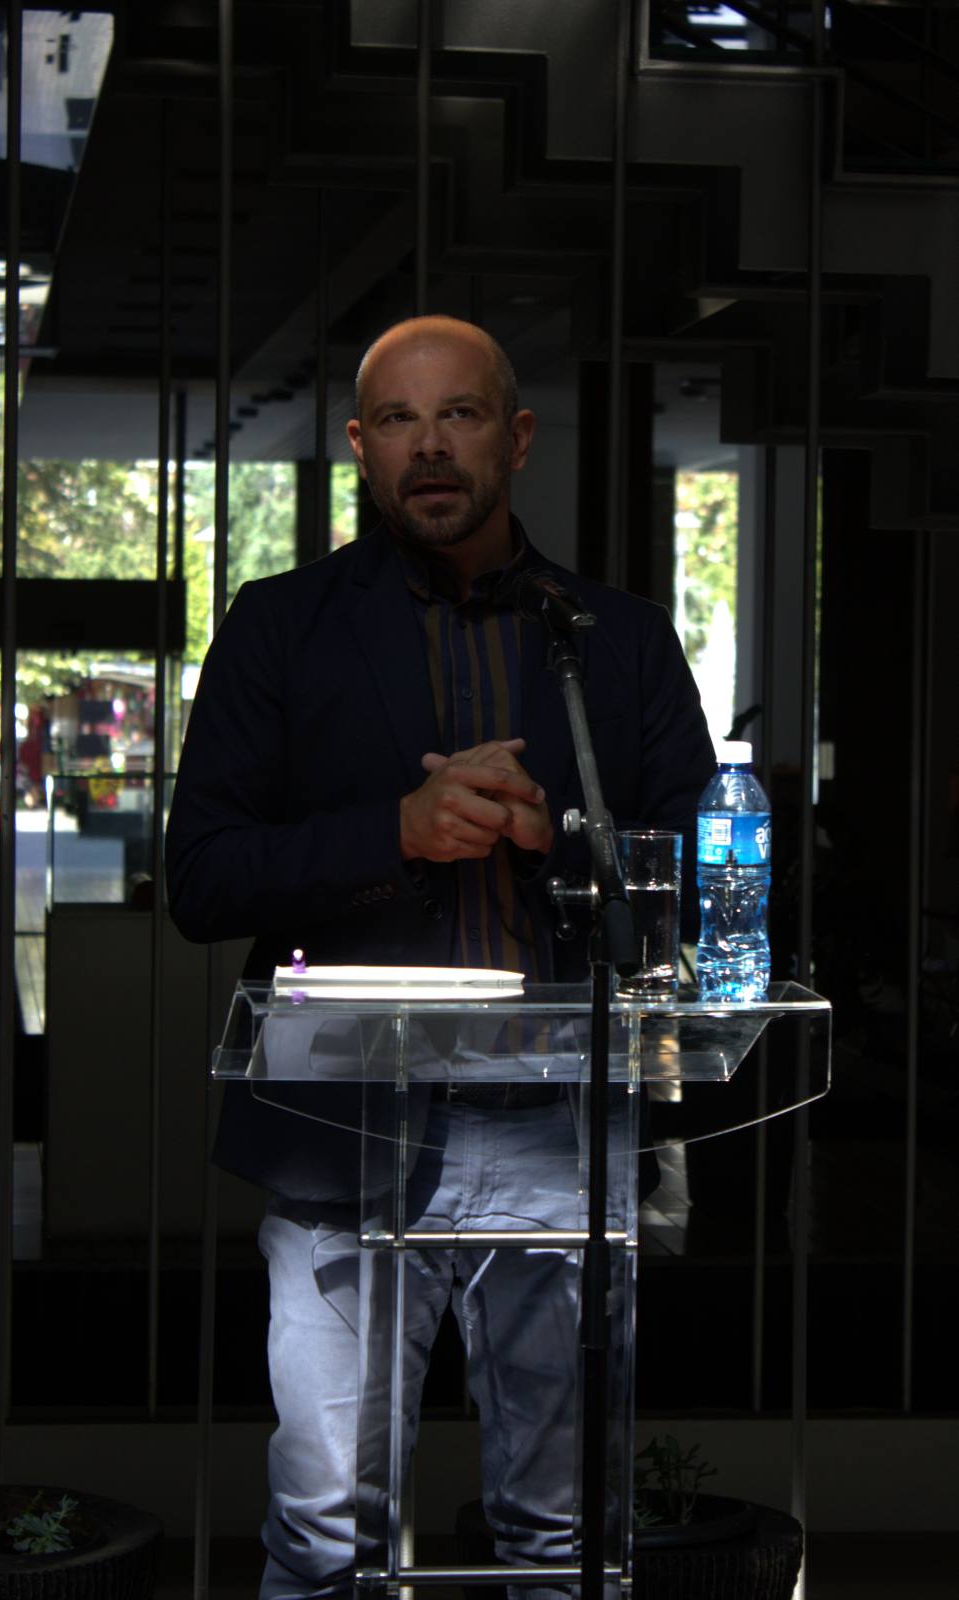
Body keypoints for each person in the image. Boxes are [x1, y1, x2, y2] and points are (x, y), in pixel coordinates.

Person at [166, 315, 716, 1599]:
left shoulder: (615, 637)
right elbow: (202, 878)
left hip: (554, 1125)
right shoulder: (278, 627)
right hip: (340, 1123)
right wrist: (397, 834)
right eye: (398, 421)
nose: (429, 447)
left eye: (458, 414)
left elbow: (706, 868)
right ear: (359, 446)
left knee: (564, 1537)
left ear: (514, 438)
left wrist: (554, 835)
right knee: (326, 1535)